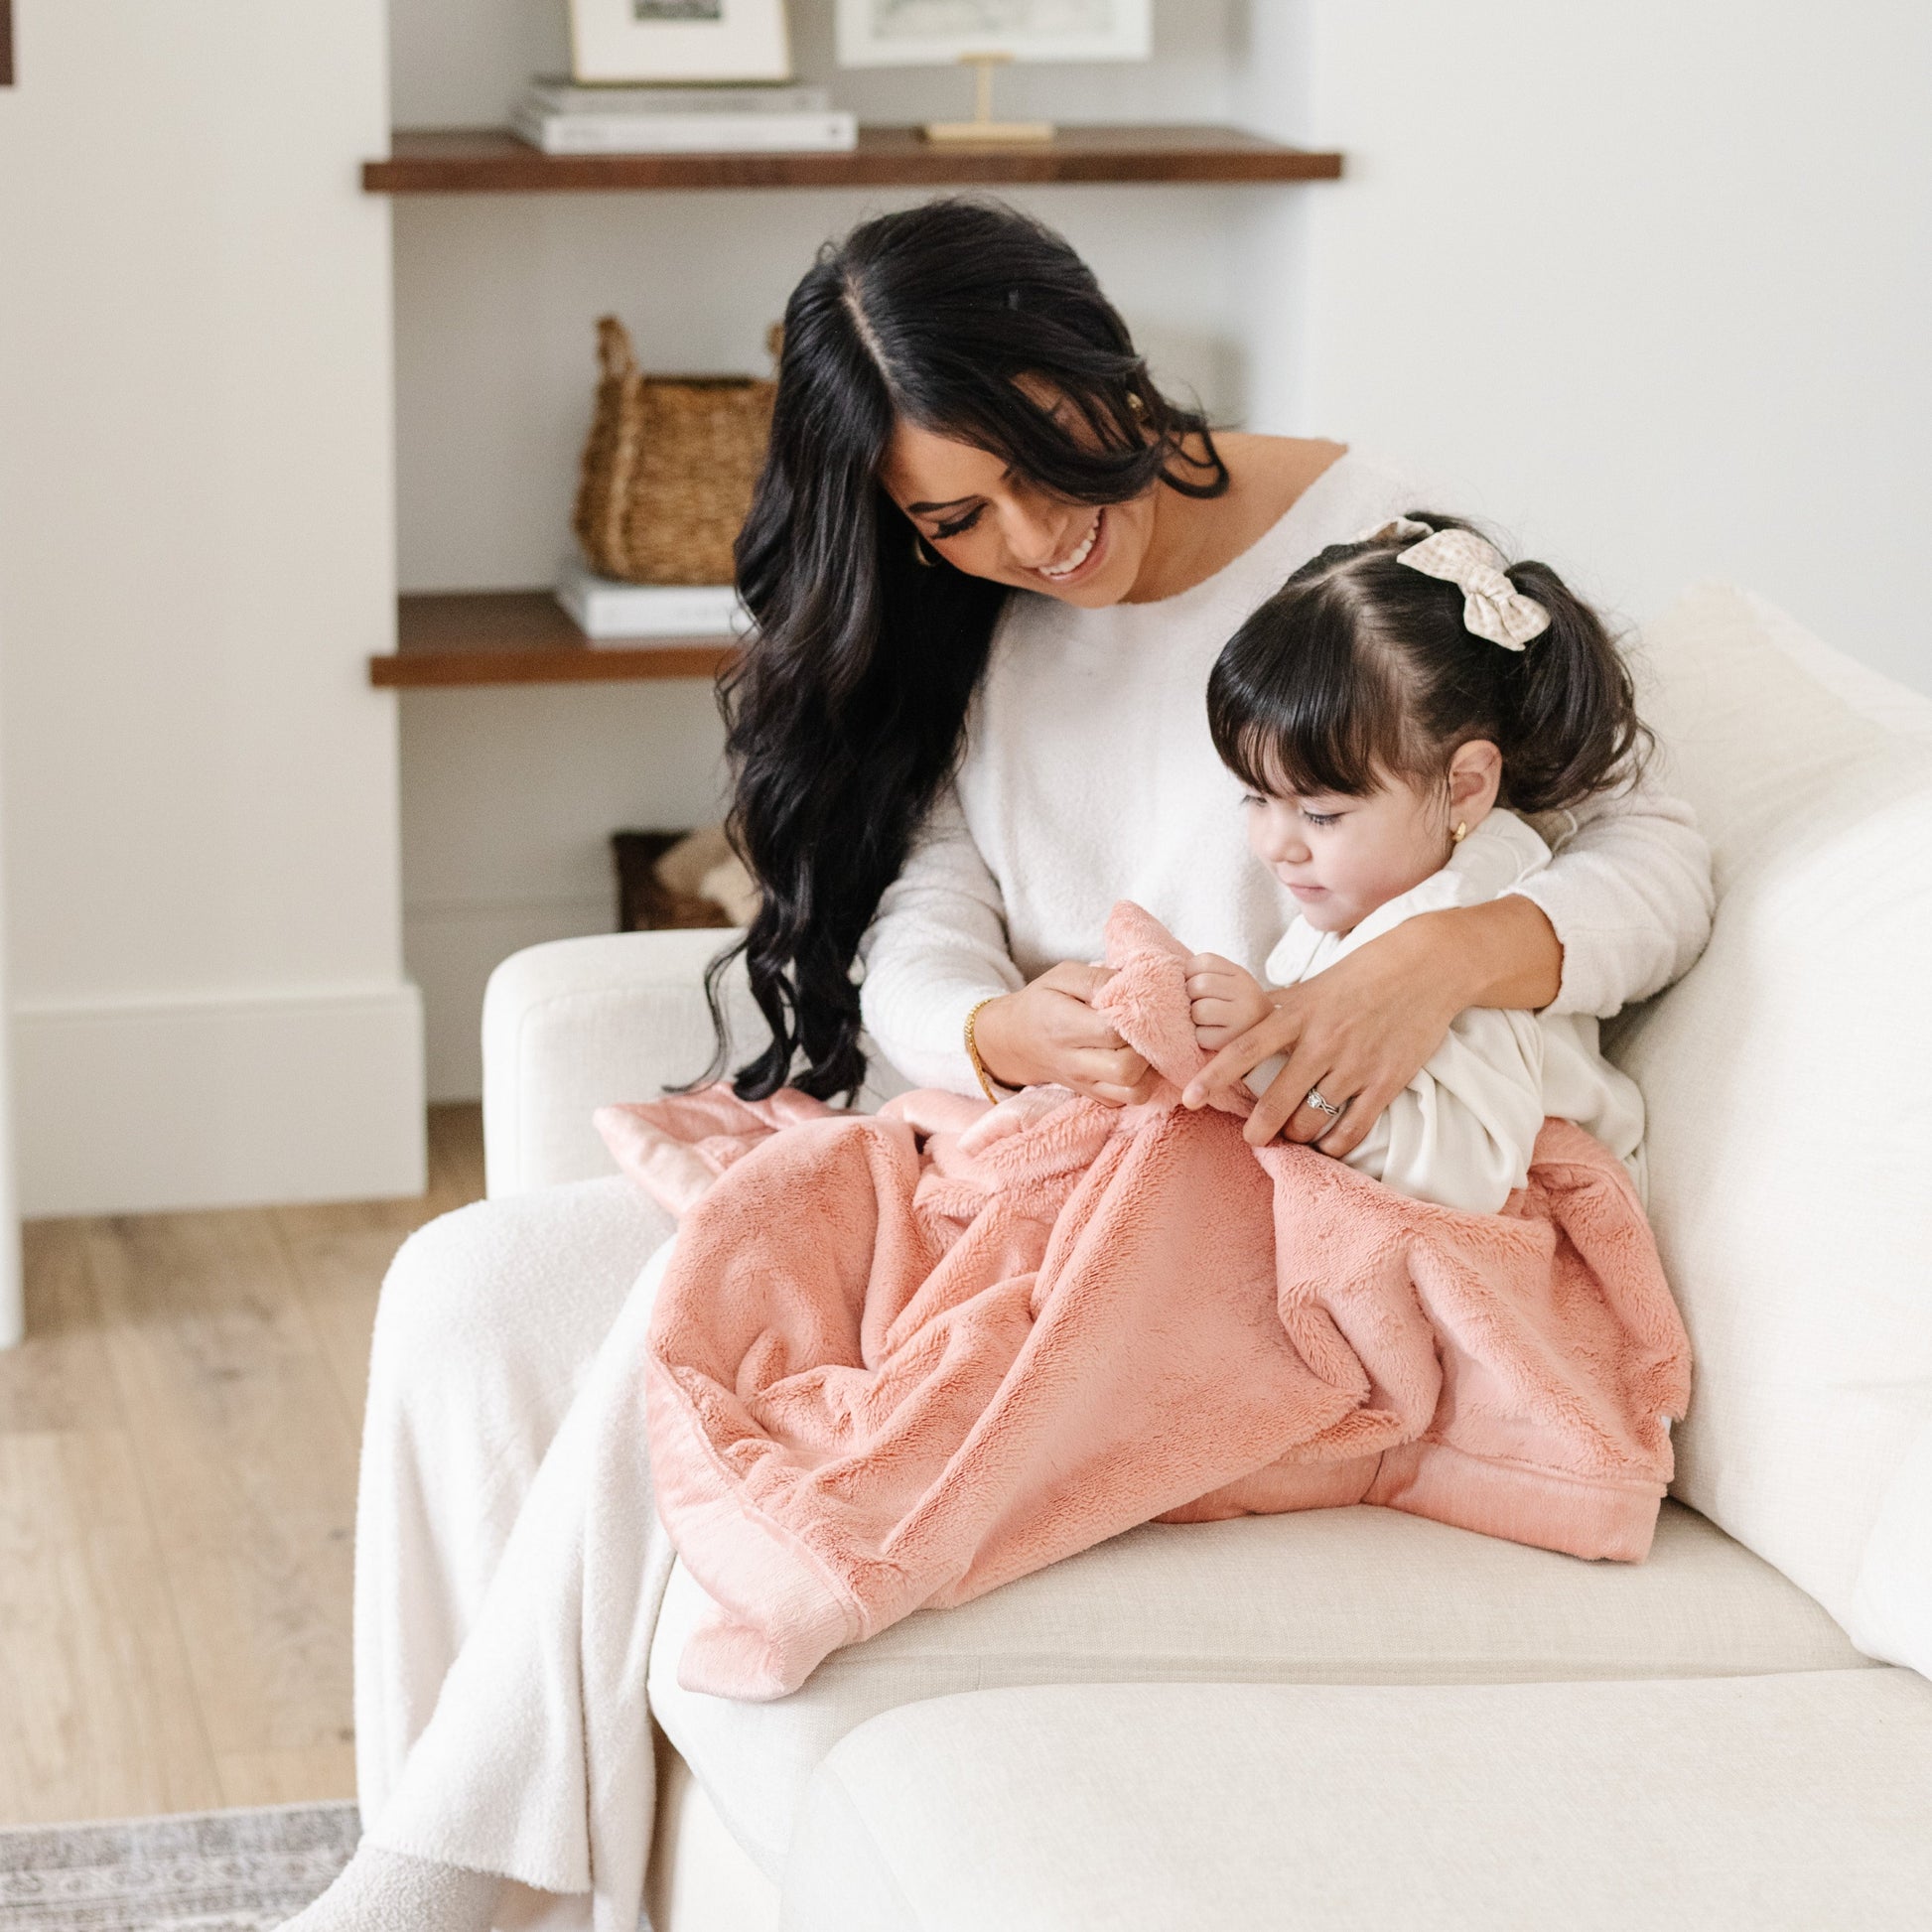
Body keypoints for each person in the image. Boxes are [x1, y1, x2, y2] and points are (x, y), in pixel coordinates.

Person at [312, 201, 1713, 1932]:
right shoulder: (981, 618)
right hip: (1028, 1151)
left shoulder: (1385, 562)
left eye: (1053, 467)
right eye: (955, 515)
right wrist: (983, 1028)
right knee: (465, 1297)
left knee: (694, 1298)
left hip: (1218, 1229)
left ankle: (422, 1898)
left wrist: (1440, 962)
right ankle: (464, 1858)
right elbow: (929, 897)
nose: (1040, 540)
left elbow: (1657, 853)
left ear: (1102, 367)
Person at [1180, 513, 1650, 1214]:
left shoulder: (1469, 917)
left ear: (1465, 785)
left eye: (1320, 814)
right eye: (1256, 798)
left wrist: (1267, 1060)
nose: (1277, 844)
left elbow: (1465, 1174)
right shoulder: (1367, 885)